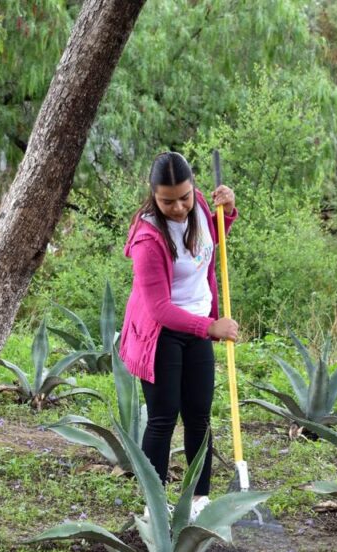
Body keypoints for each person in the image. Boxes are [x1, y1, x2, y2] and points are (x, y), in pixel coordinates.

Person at [118, 151, 238, 521]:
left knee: (199, 416)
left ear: (193, 188)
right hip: (161, 335)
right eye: (167, 201)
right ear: (153, 195)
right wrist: (210, 327)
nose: (179, 207)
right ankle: (154, 505)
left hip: (198, 324)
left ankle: (200, 500)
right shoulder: (147, 239)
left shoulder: (199, 205)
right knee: (163, 417)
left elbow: (207, 246)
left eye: (184, 197)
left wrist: (227, 213)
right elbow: (159, 309)